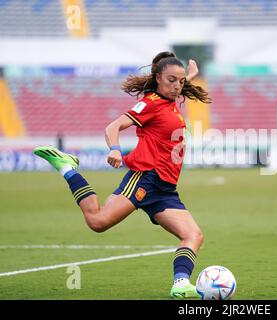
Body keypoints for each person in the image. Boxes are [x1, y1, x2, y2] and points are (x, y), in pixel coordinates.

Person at [33, 51, 211, 298]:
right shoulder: (150, 103)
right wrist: (115, 149)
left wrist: (188, 76)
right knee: (97, 222)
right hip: (145, 178)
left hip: (165, 189)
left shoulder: (170, 98)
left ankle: (180, 285)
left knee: (193, 235)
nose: (177, 86)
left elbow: (177, 88)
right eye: (171, 80)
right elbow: (113, 126)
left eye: (180, 81)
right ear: (158, 78)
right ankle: (66, 167)